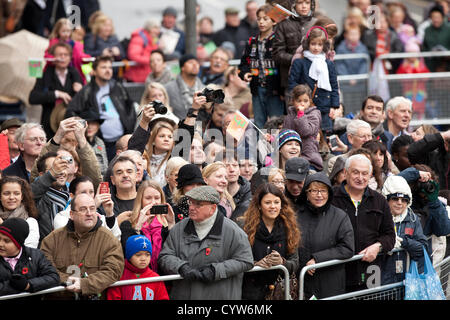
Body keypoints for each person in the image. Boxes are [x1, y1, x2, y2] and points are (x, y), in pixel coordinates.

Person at [158, 186, 254, 300]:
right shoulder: (179, 229)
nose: (191, 207)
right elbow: (165, 256)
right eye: (191, 202)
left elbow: (246, 261)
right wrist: (181, 267)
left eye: (198, 204)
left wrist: (216, 271)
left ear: (213, 208)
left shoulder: (233, 231)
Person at [40, 193, 124, 300]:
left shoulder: (109, 239)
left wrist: (85, 284)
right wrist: (69, 281)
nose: (89, 213)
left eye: (92, 209)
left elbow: (113, 270)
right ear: (72, 214)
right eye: (83, 209)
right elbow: (45, 269)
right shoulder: (52, 240)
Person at [331, 154, 396, 292]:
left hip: (371, 272)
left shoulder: (379, 201)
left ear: (371, 175)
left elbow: (390, 235)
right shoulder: (331, 198)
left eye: (365, 173)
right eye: (355, 172)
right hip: (338, 271)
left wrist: (378, 246)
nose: (360, 178)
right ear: (345, 173)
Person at [65, 55, 138, 161]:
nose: (108, 70)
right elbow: (70, 112)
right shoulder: (87, 91)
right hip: (100, 143)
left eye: (110, 67)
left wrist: (130, 129)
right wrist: (87, 128)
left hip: (122, 141)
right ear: (94, 71)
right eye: (103, 67)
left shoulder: (117, 87)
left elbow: (130, 107)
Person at [296, 172, 355, 299]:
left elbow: (347, 248)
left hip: (330, 284)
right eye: (314, 191)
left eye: (323, 191)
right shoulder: (295, 216)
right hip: (302, 282)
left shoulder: (340, 217)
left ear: (329, 193)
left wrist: (317, 259)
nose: (319, 195)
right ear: (306, 193)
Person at [239, 183, 300, 300]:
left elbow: (295, 263)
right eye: (268, 203)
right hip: (251, 292)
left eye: (276, 202)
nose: (273, 206)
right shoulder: (245, 227)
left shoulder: (289, 227)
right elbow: (237, 260)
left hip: (279, 292)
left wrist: (282, 262)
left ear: (281, 204)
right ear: (260, 205)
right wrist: (255, 264)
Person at [238, 4, 284, 129]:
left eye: (265, 19)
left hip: (275, 89)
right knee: (259, 121)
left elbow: (283, 65)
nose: (261, 22)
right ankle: (261, 148)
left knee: (276, 121)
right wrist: (245, 73)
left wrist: (283, 89)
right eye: (259, 19)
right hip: (257, 88)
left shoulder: (278, 40)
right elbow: (243, 63)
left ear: (274, 21)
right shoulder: (251, 42)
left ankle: (277, 147)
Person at [288, 25, 340, 135]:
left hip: (324, 105)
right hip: (305, 106)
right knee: (305, 133)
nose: (316, 47)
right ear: (308, 44)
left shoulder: (328, 64)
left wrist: (334, 106)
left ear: (324, 46)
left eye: (319, 44)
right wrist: (298, 100)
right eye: (313, 44)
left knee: (324, 135)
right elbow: (292, 83)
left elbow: (334, 85)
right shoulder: (299, 63)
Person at [380, 175, 428, 285]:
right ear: (386, 199)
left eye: (404, 200)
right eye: (395, 199)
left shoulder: (413, 219)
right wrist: (384, 244)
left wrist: (404, 242)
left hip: (407, 281)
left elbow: (423, 248)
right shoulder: (378, 218)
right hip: (381, 281)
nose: (400, 203)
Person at [119, 180, 175, 273]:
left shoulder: (165, 225)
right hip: (140, 278)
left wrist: (171, 224)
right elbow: (128, 253)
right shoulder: (127, 225)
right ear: (141, 200)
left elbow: (174, 251)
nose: (153, 202)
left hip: (164, 278)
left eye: (157, 198)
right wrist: (138, 228)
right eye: (148, 198)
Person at [0, 218, 60, 296]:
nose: (0, 244)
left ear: (18, 243)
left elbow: (53, 277)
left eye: (6, 241)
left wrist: (28, 285)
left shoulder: (36, 256)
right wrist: (16, 286)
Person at [273, 0, 317, 100]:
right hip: (291, 81)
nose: (304, 6)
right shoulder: (283, 25)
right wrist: (296, 59)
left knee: (314, 114)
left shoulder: (317, 23)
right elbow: (277, 53)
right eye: (300, 3)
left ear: (311, 4)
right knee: (293, 114)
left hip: (314, 80)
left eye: (307, 3)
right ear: (294, 5)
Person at [52, 175, 120, 239]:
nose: (88, 196)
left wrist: (109, 214)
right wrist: (93, 207)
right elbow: (71, 240)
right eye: (83, 192)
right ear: (72, 196)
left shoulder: (100, 217)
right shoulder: (61, 217)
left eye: (91, 192)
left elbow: (115, 240)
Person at [106, 235, 169, 300]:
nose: (143, 258)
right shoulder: (119, 276)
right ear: (129, 256)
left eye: (147, 255)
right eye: (138, 255)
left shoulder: (155, 279)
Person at [284, 84, 323, 171]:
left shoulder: (314, 114)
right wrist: (273, 138)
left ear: (310, 101)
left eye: (305, 101)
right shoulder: (289, 116)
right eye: (299, 101)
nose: (302, 104)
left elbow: (306, 131)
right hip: (292, 157)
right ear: (293, 101)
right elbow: (285, 134)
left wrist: (301, 115)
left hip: (309, 158)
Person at [44, 18, 92, 84]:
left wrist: (87, 58)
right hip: (55, 68)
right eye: (64, 31)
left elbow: (78, 56)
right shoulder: (53, 42)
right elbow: (47, 55)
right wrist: (54, 59)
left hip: (70, 69)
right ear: (58, 31)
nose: (66, 34)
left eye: (68, 31)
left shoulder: (73, 43)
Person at [0, 176, 39, 248]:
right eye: (6, 193)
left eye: (16, 193)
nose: (11, 197)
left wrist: (3, 226)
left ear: (22, 196)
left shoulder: (30, 222)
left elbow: (27, 251)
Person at [164, 54, 204, 119]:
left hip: (199, 127)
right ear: (182, 67)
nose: (195, 65)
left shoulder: (203, 89)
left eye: (197, 63)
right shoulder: (168, 88)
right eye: (191, 62)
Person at [223, 155, 252, 222]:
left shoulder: (250, 192)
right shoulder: (216, 193)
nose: (232, 170)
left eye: (235, 165)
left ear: (239, 170)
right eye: (226, 166)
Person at [422, 4, 450, 72]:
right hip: (431, 65)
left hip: (446, 65)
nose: (436, 20)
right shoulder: (427, 30)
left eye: (438, 17)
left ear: (442, 17)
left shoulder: (448, 29)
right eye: (433, 17)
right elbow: (424, 47)